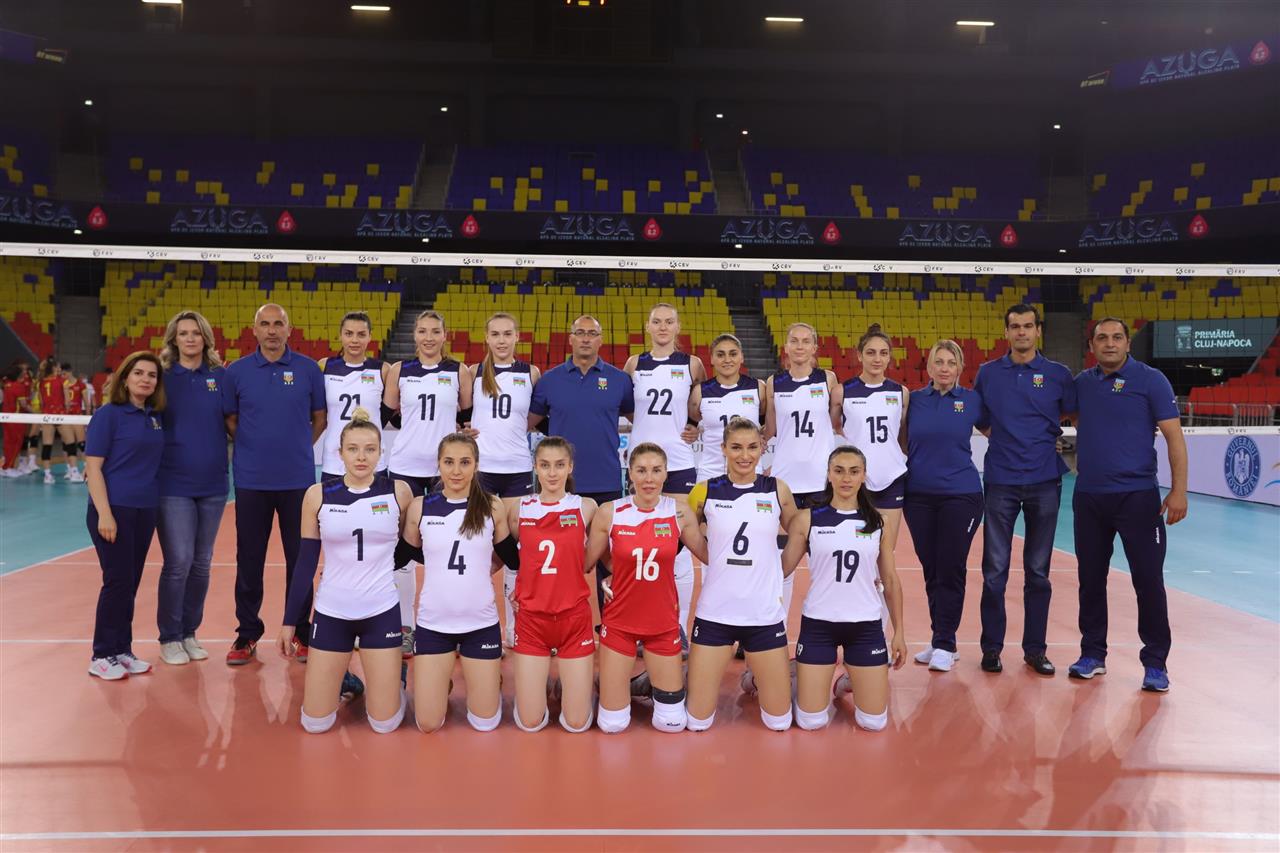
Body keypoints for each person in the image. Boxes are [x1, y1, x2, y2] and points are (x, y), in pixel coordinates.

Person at [276, 409, 414, 734]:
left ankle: (396, 680)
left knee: (384, 724)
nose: (361, 457)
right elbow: (305, 563)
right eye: (353, 449)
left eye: (369, 449)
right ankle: (349, 681)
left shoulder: (399, 492)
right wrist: (289, 621)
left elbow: (412, 547)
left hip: (380, 610)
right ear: (340, 453)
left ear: (381, 453)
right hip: (332, 612)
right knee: (315, 724)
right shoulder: (317, 495)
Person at [1069, 318, 1187, 693]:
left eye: (1117, 337)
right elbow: (1056, 417)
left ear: (1127, 343)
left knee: (1148, 580)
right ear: (1092, 345)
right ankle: (1092, 654)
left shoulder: (1151, 380)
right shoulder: (1081, 384)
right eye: (1102, 338)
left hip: (1138, 497)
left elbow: (1174, 437)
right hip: (1090, 496)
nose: (1110, 343)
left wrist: (1179, 491)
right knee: (1090, 580)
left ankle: (1155, 663)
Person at [221, 303, 327, 666]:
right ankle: (247, 632)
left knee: (301, 558)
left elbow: (320, 418)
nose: (271, 330)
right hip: (251, 481)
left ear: (289, 329)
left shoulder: (308, 369)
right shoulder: (237, 372)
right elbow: (231, 419)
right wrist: (255, 447)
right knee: (249, 558)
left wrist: (297, 447)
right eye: (265, 324)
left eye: (278, 323)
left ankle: (301, 631)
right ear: (254, 330)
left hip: (297, 481)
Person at [974, 305, 1076, 676]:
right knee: (994, 572)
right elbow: (981, 418)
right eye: (1015, 326)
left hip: (1044, 480)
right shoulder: (988, 373)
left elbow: (1072, 414)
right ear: (1006, 332)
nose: (1021, 332)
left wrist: (1045, 438)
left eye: (1028, 326)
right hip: (1000, 480)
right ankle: (991, 649)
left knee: (1038, 572)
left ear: (1038, 331)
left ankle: (1035, 650)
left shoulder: (1058, 375)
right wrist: (1007, 438)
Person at [686, 417, 801, 732]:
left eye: (752, 447)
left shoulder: (777, 489)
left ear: (762, 448)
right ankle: (678, 678)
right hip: (715, 614)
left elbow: (800, 532)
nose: (744, 455)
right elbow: (685, 529)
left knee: (779, 722)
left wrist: (778, 570)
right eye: (736, 447)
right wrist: (714, 559)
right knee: (697, 721)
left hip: (763, 615)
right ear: (723, 448)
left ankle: (760, 677)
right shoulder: (704, 491)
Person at [583, 442, 707, 734]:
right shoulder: (610, 512)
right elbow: (587, 562)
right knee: (612, 725)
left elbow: (709, 555)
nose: (649, 478)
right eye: (641, 470)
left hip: (662, 623)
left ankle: (641, 682)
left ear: (666, 474)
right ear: (630, 473)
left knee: (672, 723)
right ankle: (603, 683)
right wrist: (615, 569)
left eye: (656, 470)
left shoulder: (679, 513)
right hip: (620, 622)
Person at [783, 446, 907, 731]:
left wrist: (899, 632)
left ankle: (846, 681)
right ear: (829, 474)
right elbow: (782, 570)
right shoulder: (808, 519)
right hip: (819, 623)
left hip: (865, 626)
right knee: (811, 722)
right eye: (839, 471)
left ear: (864, 475)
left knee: (873, 723)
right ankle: (793, 675)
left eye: (854, 471)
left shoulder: (880, 522)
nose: (846, 478)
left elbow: (889, 579)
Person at [402, 433, 519, 732]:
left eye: (465, 462)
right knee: (427, 723)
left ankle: (489, 676)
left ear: (476, 465)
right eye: (449, 462)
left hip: (481, 624)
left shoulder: (491, 506)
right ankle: (443, 680)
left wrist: (485, 567)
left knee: (485, 723)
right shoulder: (420, 507)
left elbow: (512, 558)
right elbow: (403, 554)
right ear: (438, 464)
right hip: (434, 625)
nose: (456, 471)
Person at [528, 315, 633, 614]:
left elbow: (640, 418)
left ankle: (610, 622)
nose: (586, 338)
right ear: (570, 338)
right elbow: (530, 420)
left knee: (609, 559)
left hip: (606, 481)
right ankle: (555, 616)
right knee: (559, 556)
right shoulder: (550, 380)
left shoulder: (619, 380)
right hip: (560, 485)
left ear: (601, 340)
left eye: (592, 333)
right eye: (580, 333)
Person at [384, 310, 471, 651]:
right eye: (423, 331)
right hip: (405, 466)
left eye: (435, 331)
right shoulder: (400, 370)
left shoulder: (458, 371)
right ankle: (405, 626)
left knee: (448, 547)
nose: (429, 337)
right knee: (403, 551)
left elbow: (466, 416)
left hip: (444, 470)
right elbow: (388, 414)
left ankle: (451, 625)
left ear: (445, 335)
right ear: (415, 335)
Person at [623, 304, 706, 646]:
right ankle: (642, 621)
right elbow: (630, 408)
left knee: (678, 542)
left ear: (677, 326)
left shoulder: (692, 364)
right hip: (643, 460)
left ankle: (677, 626)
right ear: (648, 326)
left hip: (679, 460)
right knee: (643, 544)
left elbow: (701, 405)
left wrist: (694, 426)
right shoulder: (634, 364)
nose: (662, 327)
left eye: (668, 321)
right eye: (656, 321)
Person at [904, 340, 987, 673]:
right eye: (938, 362)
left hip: (961, 495)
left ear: (960, 368)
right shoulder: (914, 400)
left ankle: (945, 642)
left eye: (951, 363)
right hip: (918, 496)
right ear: (929, 367)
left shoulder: (972, 400)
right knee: (932, 568)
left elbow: (999, 432)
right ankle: (939, 637)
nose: (944, 368)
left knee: (950, 567)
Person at [507, 437, 599, 733]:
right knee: (530, 722)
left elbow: (603, 555)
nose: (552, 473)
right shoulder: (519, 509)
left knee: (577, 723)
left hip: (573, 618)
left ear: (570, 467)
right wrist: (514, 589)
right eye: (545, 465)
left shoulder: (586, 507)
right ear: (535, 467)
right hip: (532, 620)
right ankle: (543, 680)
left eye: (559, 465)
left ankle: (572, 684)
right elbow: (509, 556)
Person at [84, 352, 166, 680]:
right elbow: (93, 468)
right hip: (113, 509)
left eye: (152, 375)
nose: (145, 379)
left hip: (144, 510)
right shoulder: (109, 415)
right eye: (139, 373)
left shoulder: (154, 417)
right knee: (116, 581)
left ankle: (121, 649)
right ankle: (101, 654)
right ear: (125, 377)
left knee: (130, 582)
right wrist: (104, 514)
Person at [155, 311, 230, 666]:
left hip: (213, 483)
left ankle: (189, 632)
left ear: (205, 338)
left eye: (195, 333)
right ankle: (169, 637)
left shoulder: (220, 377)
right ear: (174, 338)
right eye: (183, 333)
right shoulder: (162, 378)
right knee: (179, 562)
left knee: (202, 563)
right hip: (173, 483)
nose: (189, 339)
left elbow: (235, 421)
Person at [469, 311, 539, 647]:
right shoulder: (473, 372)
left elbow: (536, 417)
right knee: (479, 544)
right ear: (486, 337)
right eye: (495, 334)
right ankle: (474, 617)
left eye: (507, 334)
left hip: (517, 469)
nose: (501, 340)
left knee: (514, 548)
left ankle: (514, 627)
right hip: (482, 471)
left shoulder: (531, 373)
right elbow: (459, 412)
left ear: (516, 337)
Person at [765, 322, 841, 628]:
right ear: (786, 347)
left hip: (820, 483)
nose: (799, 346)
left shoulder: (828, 379)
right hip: (785, 484)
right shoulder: (774, 383)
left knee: (822, 560)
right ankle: (775, 627)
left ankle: (825, 626)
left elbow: (836, 424)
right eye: (794, 341)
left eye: (805, 341)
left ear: (814, 348)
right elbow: (770, 430)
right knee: (783, 561)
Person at [840, 324, 909, 550]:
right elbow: (834, 429)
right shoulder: (843, 391)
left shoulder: (900, 393)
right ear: (860, 355)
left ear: (889, 357)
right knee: (858, 547)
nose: (877, 359)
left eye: (883, 353)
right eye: (871, 352)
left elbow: (902, 436)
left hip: (891, 478)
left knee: (886, 550)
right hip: (856, 480)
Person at [317, 311, 390, 482]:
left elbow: (390, 411)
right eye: (349, 334)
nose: (355, 340)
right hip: (334, 458)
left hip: (372, 459)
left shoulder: (383, 370)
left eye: (361, 334)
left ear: (370, 336)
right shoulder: (325, 366)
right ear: (340, 335)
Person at [689, 334, 766, 483]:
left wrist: (763, 435)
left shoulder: (758, 388)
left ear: (741, 357)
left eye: (733, 354)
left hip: (750, 471)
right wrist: (693, 429)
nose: (727, 360)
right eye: (720, 355)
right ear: (712, 359)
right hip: (710, 472)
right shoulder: (700, 392)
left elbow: (766, 422)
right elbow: (692, 421)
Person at [38, 359, 80, 484]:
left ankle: (47, 475)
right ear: (54, 368)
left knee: (47, 445)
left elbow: (41, 401)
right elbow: (67, 401)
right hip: (60, 414)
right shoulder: (63, 381)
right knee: (70, 443)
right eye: (58, 367)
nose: (60, 369)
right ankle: (74, 472)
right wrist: (66, 409)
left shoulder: (41, 382)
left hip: (47, 415)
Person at [1, 362, 30, 475]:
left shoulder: (7, 384)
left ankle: (6, 467)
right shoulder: (19, 386)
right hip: (16, 418)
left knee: (8, 443)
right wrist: (37, 414)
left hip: (6, 417)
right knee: (15, 443)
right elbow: (24, 405)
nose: (25, 372)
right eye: (23, 371)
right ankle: (9, 468)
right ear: (19, 374)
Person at [62, 362, 87, 478]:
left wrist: (87, 418)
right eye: (62, 374)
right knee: (67, 444)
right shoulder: (62, 384)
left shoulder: (80, 384)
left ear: (70, 371)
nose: (64, 376)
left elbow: (87, 402)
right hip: (66, 417)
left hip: (77, 416)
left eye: (65, 373)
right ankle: (70, 469)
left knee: (82, 444)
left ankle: (87, 468)